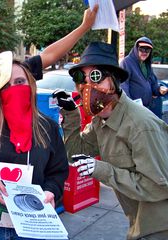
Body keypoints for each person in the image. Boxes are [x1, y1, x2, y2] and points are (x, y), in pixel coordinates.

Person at [53, 42, 168, 240]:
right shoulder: (101, 121)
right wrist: (71, 114)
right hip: (137, 220)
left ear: (113, 81)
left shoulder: (141, 125)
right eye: (81, 78)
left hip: (159, 227)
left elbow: (158, 186)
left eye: (96, 76)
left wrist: (101, 169)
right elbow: (75, 154)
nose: (87, 86)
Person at [0, 51, 69, 239]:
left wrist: (51, 192)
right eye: (6, 85)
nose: (14, 89)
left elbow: (57, 172)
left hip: (34, 225)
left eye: (19, 82)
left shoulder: (48, 128)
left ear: (31, 85)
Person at [120, 37, 168, 118]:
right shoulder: (126, 62)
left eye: (148, 50)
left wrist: (159, 90)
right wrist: (130, 107)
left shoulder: (147, 65)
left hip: (146, 109)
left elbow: (153, 85)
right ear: (136, 49)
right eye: (142, 49)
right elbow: (123, 86)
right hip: (133, 111)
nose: (145, 52)